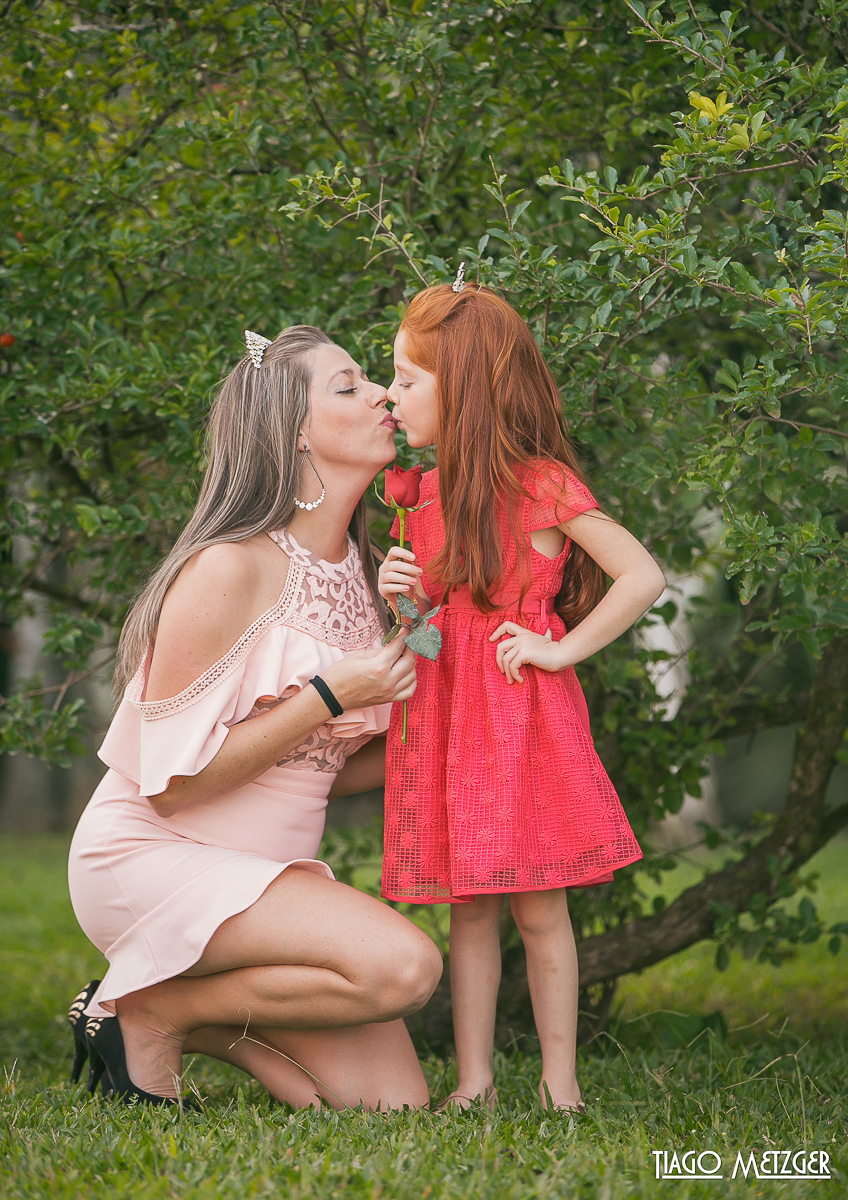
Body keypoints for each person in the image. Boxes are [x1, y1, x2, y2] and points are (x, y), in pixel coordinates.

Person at [67, 325, 443, 1111]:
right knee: (402, 969)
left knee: (394, 1108)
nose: (381, 394)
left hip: (263, 876)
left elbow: (321, 771)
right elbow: (170, 788)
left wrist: (460, 746)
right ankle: (158, 1009)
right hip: (154, 856)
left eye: (374, 380)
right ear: (295, 433)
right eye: (349, 386)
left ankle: (151, 1012)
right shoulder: (229, 567)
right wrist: (331, 695)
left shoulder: (371, 576)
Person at [377, 280, 665, 1112]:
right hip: (451, 724)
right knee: (471, 915)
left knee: (540, 913)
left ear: (460, 388)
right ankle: (474, 1084)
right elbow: (425, 633)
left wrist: (559, 648)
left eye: (406, 378)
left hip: (520, 720)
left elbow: (641, 574)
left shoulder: (539, 485)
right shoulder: (419, 497)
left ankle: (560, 1085)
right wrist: (401, 597)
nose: (391, 395)